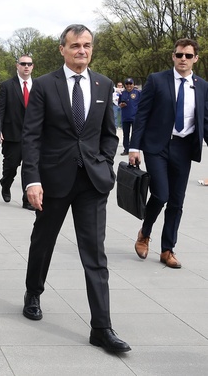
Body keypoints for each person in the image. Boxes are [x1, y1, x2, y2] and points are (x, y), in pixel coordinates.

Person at [21, 24, 130, 353]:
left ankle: (102, 328)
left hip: (92, 183)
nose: (82, 50)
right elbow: (31, 136)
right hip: (53, 181)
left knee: (95, 254)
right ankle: (33, 292)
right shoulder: (44, 85)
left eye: (87, 45)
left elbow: (109, 133)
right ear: (63, 49)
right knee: (43, 242)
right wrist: (32, 180)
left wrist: (105, 163)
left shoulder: (103, 84)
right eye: (75, 45)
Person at [129, 38, 208, 269]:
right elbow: (142, 114)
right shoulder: (157, 80)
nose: (183, 59)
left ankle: (167, 249)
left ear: (195, 59)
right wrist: (134, 147)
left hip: (184, 148)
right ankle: (145, 233)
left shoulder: (202, 86)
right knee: (161, 195)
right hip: (157, 147)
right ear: (173, 56)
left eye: (188, 55)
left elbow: (205, 120)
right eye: (179, 54)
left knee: (176, 201)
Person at [0, 54, 35, 210]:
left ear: (32, 67)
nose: (26, 66)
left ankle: (27, 200)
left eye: (29, 64)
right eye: (23, 64)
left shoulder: (39, 85)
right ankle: (5, 183)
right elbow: (0, 109)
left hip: (33, 135)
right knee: (11, 166)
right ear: (17, 65)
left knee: (30, 168)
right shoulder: (7, 86)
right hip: (12, 134)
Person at [118, 78, 141, 155]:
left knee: (134, 134)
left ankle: (133, 149)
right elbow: (119, 103)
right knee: (126, 134)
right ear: (125, 85)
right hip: (125, 117)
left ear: (133, 84)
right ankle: (126, 149)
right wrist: (121, 105)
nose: (129, 85)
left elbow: (142, 103)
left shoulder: (138, 93)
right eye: (127, 84)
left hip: (135, 117)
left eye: (130, 84)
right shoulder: (122, 93)